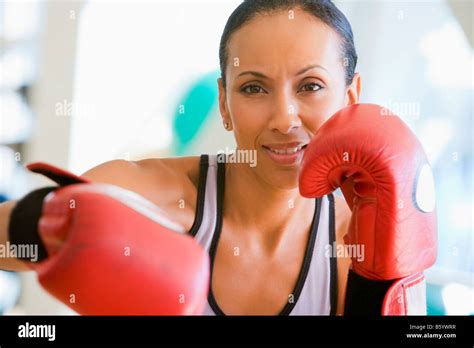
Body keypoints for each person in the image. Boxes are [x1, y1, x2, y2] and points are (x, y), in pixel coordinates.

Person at [0, 0, 436, 316]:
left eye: (310, 86)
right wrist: (50, 226)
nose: (285, 119)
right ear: (224, 104)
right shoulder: (155, 199)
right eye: (253, 88)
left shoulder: (358, 242)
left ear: (351, 96)